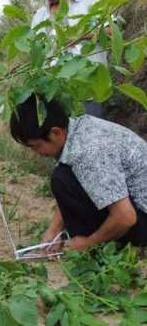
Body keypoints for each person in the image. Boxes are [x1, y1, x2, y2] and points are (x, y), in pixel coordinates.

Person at [10, 95, 147, 252]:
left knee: (61, 180)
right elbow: (80, 184)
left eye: (36, 146)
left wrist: (89, 242)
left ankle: (97, 250)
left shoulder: (88, 152)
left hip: (142, 216)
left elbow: (125, 217)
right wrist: (54, 230)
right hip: (137, 205)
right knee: (66, 177)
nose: (35, 153)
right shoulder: (78, 130)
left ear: (55, 133)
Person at [31, 0, 107, 117]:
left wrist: (80, 36)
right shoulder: (40, 16)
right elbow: (36, 54)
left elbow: (111, 33)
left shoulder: (89, 1)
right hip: (58, 94)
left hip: (90, 88)